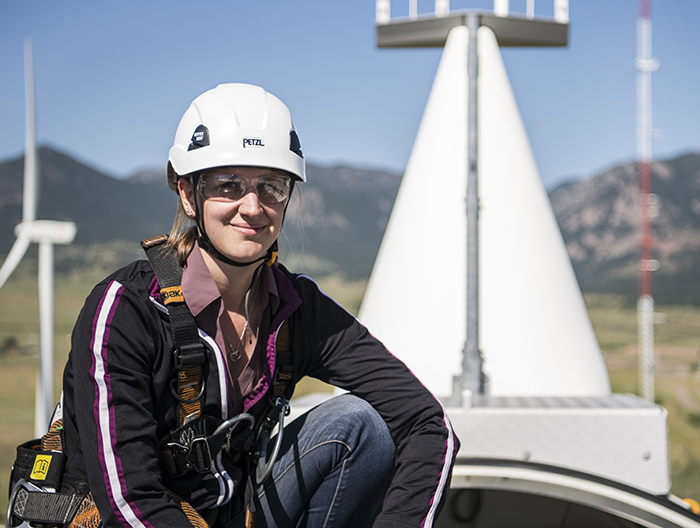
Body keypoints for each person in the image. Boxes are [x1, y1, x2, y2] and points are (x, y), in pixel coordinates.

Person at [59, 83, 458, 528]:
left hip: (233, 514)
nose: (252, 207)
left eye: (272, 187)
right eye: (228, 185)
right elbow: (127, 500)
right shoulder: (127, 310)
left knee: (358, 425)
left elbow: (426, 422)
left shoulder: (295, 307)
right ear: (189, 195)